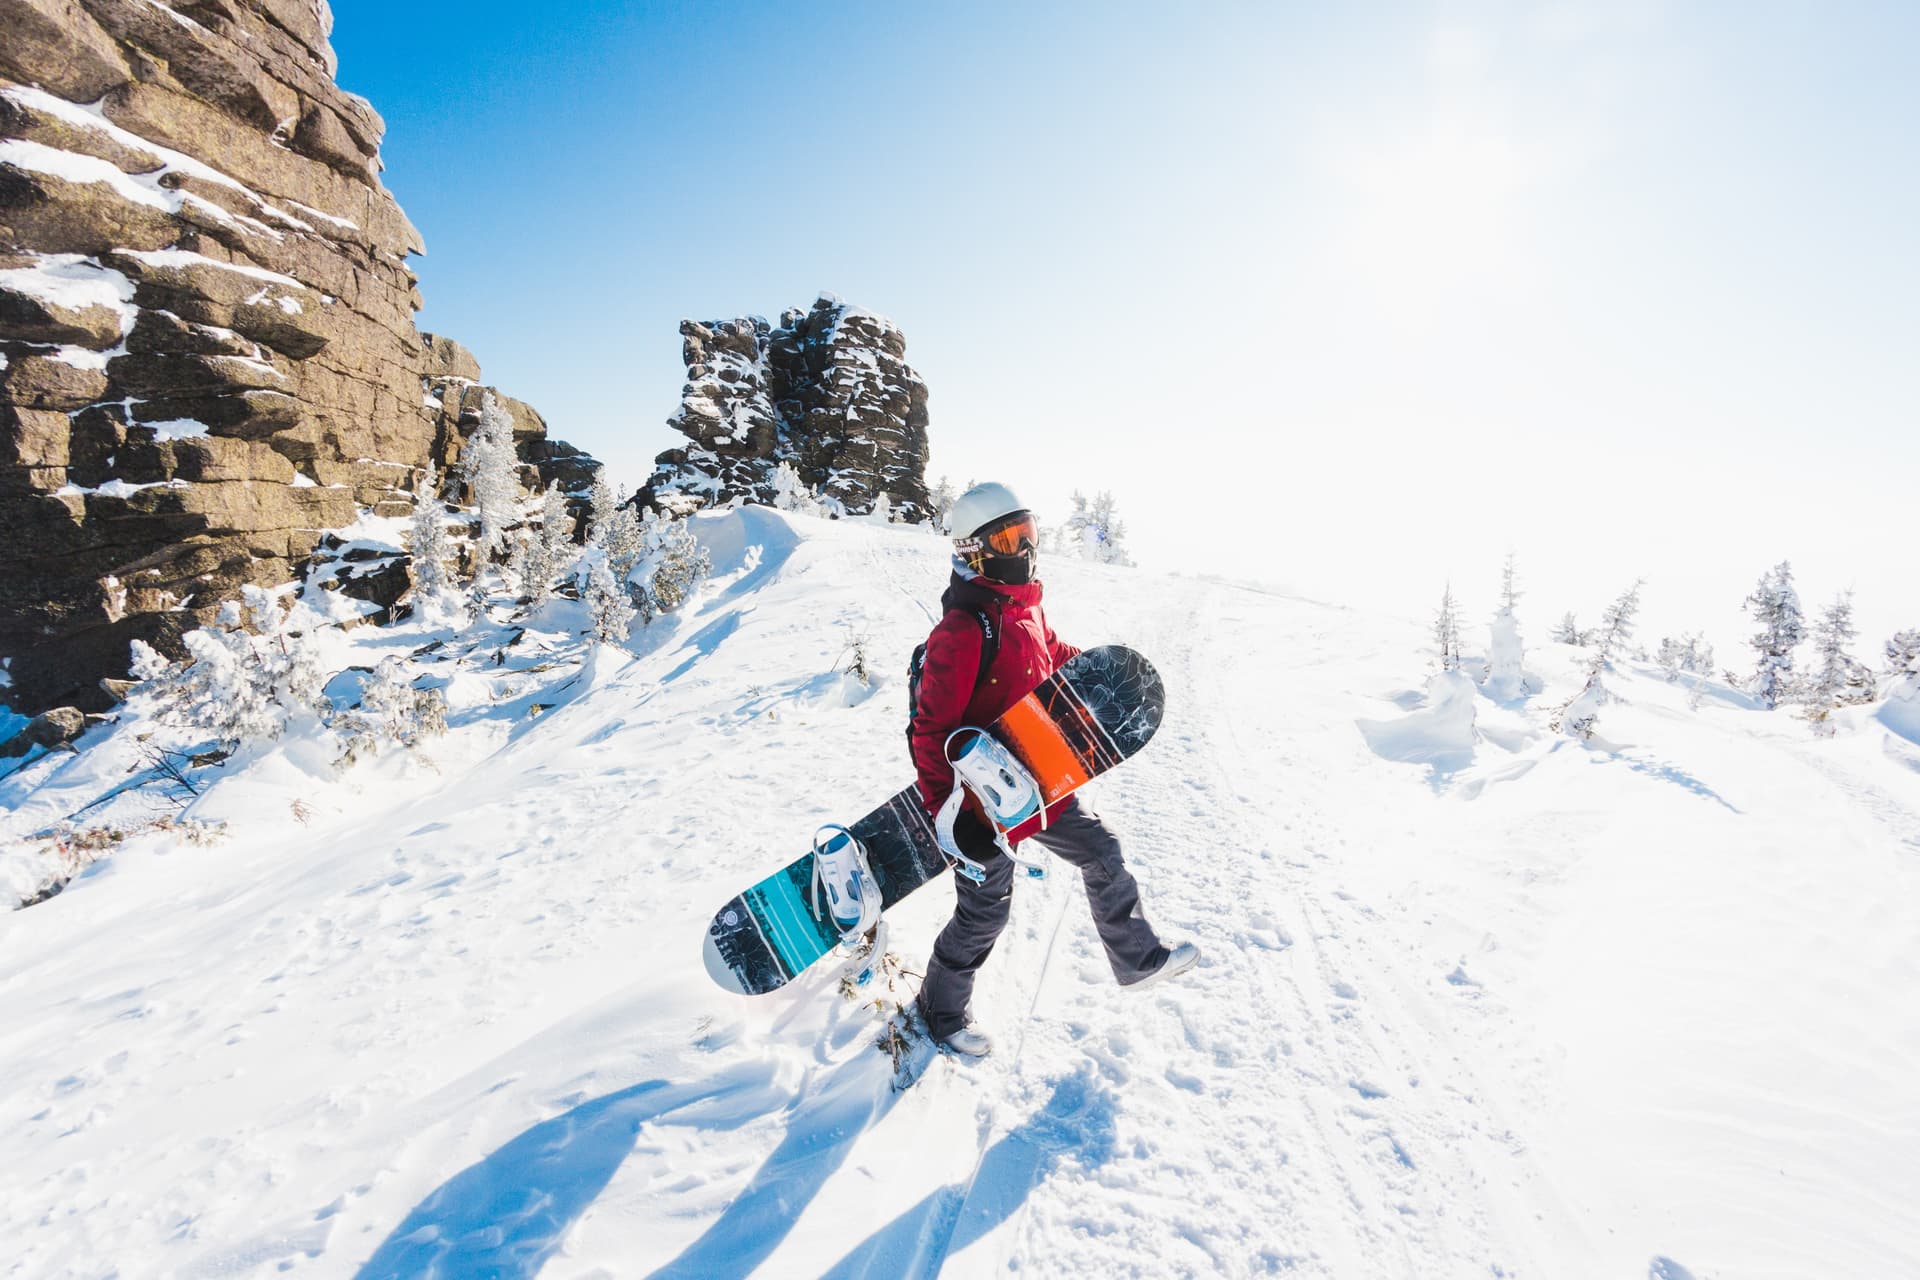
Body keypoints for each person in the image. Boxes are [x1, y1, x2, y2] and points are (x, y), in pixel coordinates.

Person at [909, 481, 1199, 1057]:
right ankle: (940, 1014)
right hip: (978, 806)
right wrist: (949, 816)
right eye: (1008, 539)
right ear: (973, 550)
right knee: (984, 914)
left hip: (1035, 780)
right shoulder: (962, 631)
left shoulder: (1022, 606)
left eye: (1028, 533)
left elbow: (1048, 653)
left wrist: (1098, 673)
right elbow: (929, 732)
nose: (1024, 549)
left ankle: (1138, 960)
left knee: (1101, 850)